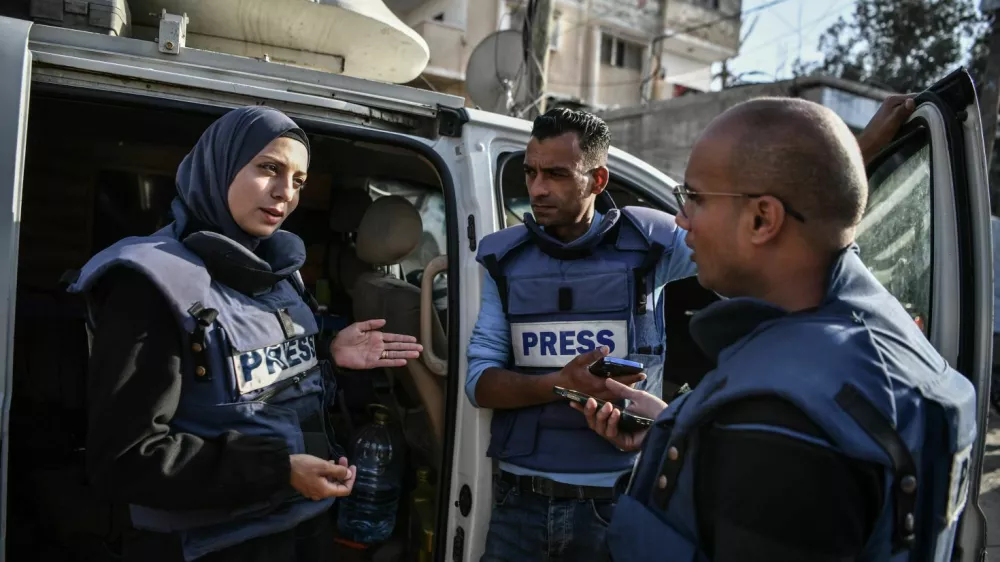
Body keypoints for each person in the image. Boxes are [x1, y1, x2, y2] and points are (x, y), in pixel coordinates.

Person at [574, 95, 978, 562]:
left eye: (694, 198)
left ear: (763, 218)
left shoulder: (778, 422)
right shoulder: (867, 328)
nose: (681, 219)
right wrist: (673, 426)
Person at [67, 106, 423, 562]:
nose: (284, 193)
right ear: (222, 165)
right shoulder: (151, 283)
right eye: (269, 168)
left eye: (298, 181)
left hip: (302, 522)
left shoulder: (279, 272)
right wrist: (279, 471)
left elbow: (244, 370)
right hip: (212, 545)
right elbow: (125, 459)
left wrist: (324, 354)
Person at [466, 107, 697, 561]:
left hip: (615, 499)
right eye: (530, 172)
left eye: (556, 174)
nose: (537, 189)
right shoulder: (504, 260)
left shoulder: (653, 244)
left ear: (599, 179)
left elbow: (753, 249)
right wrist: (562, 384)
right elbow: (479, 382)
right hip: (520, 501)